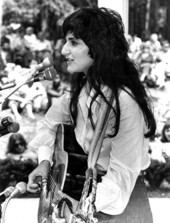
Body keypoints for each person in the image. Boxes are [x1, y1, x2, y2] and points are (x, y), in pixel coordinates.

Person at [27, 7, 156, 223]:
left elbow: (121, 178)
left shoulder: (125, 101)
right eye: (66, 41)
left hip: (121, 202)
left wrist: (73, 210)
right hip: (90, 195)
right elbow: (48, 125)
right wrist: (44, 163)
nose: (64, 51)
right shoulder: (82, 91)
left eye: (74, 42)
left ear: (99, 47)